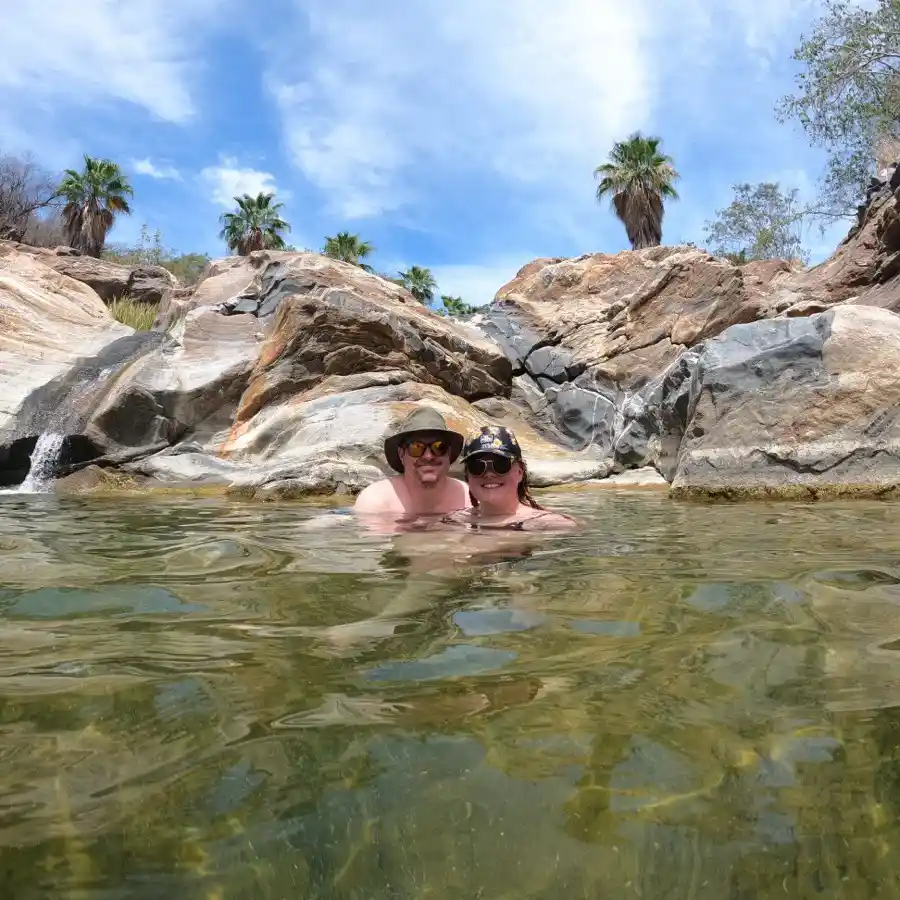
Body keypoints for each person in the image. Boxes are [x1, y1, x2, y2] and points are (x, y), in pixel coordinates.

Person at [440, 425, 577, 531]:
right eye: (477, 467)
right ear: (468, 476)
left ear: (519, 472)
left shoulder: (549, 524)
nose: (489, 474)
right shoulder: (454, 521)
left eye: (500, 464)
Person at [353, 406, 470, 518]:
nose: (428, 456)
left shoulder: (467, 499)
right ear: (401, 454)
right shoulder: (377, 502)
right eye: (417, 447)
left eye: (438, 447)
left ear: (448, 453)